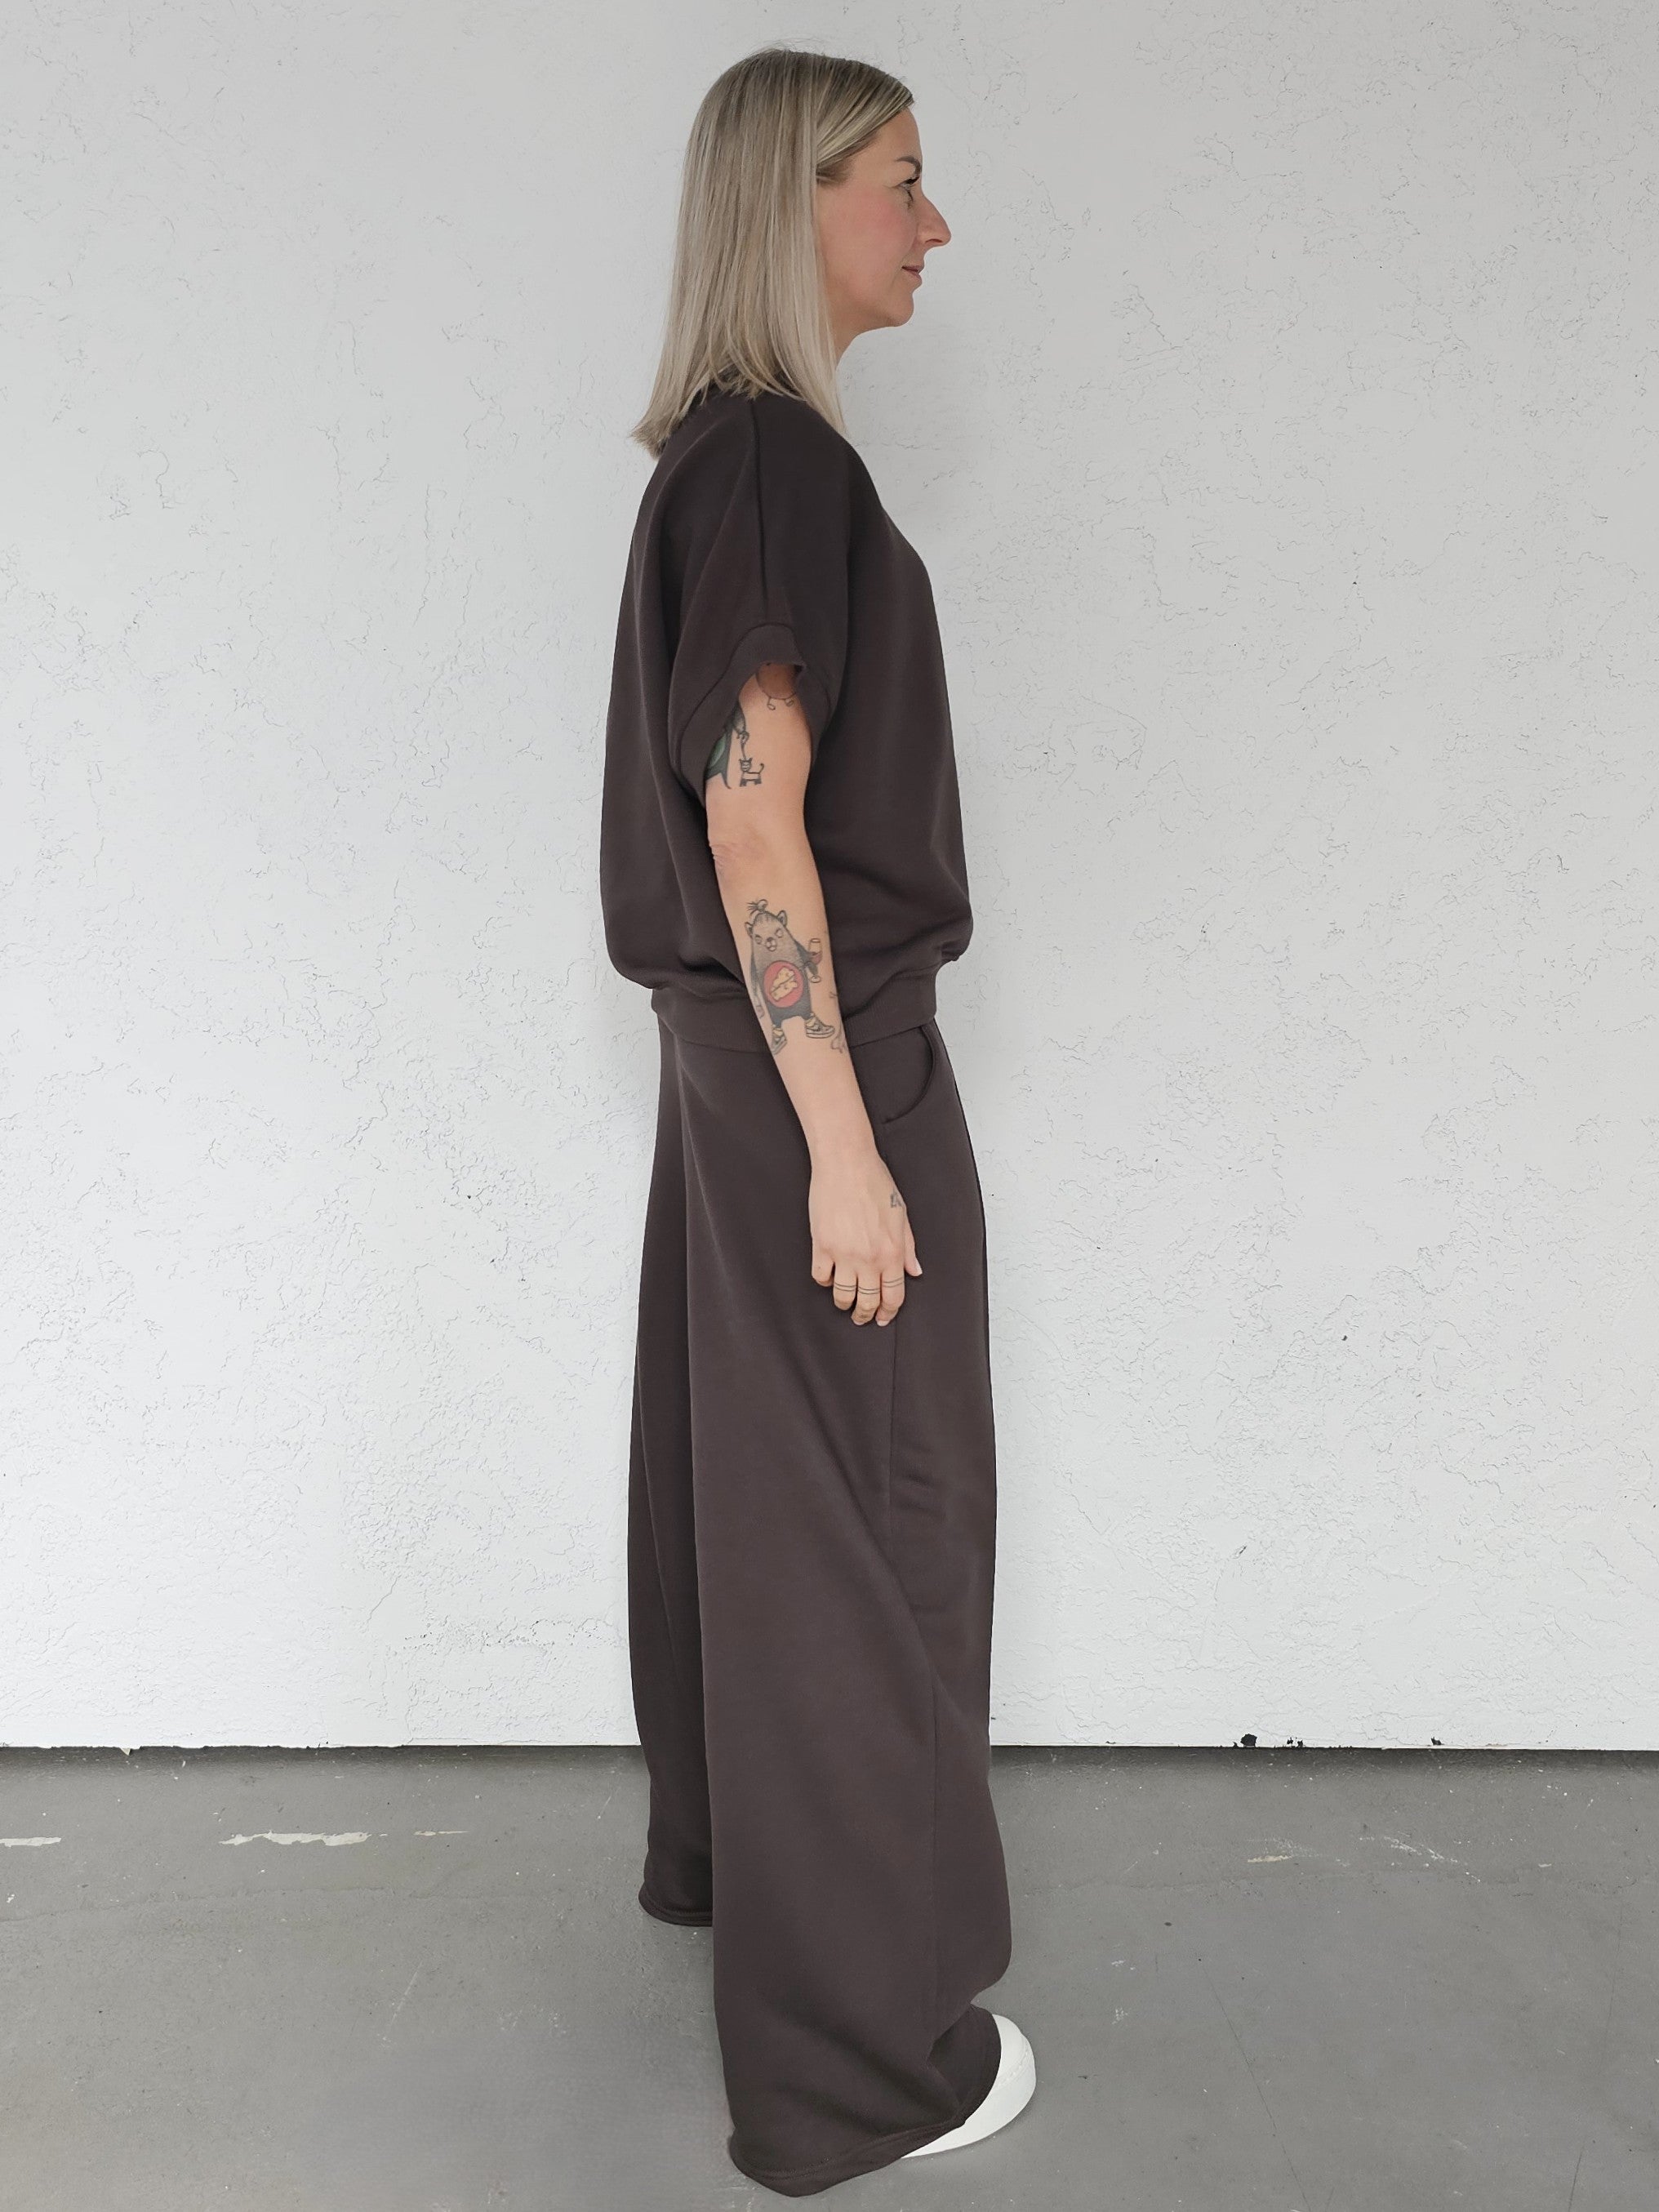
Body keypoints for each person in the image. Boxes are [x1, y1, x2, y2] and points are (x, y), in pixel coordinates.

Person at [598, 43, 1035, 2198]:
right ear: (799, 207)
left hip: (751, 1071)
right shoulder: (773, 466)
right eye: (901, 181)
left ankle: (745, 1892)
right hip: (819, 1068)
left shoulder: (730, 463)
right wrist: (847, 1148)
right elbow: (752, 813)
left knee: (761, 1515)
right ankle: (867, 2066)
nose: (933, 226)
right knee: (874, 1532)